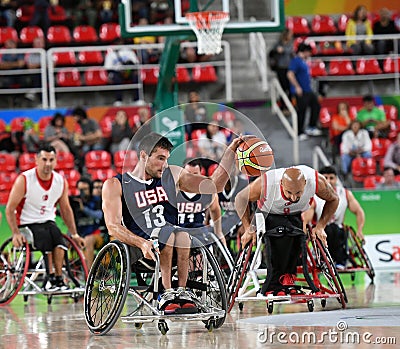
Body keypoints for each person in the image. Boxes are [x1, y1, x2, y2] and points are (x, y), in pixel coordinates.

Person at [101, 132, 244, 314]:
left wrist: (230, 152)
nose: (165, 164)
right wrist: (141, 243)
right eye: (160, 158)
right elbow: (112, 226)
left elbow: (214, 185)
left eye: (167, 159)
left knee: (182, 235)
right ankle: (167, 292)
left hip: (171, 237)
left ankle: (182, 292)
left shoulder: (173, 175)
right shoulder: (116, 184)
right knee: (168, 235)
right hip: (139, 245)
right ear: (144, 155)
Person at [236, 165, 339, 296]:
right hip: (268, 213)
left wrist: (320, 226)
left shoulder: (316, 181)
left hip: (295, 214)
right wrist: (247, 228)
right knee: (281, 233)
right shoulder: (267, 182)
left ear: (305, 184)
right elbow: (240, 199)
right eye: (289, 192)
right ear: (281, 184)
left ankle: (289, 277)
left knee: (298, 234)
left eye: (298, 193)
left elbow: (334, 199)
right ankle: (275, 281)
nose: (293, 198)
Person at [5, 144, 85, 290]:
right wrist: (15, 233)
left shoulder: (60, 181)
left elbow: (66, 209)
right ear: (36, 160)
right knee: (45, 238)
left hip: (48, 222)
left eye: (51, 160)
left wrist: (74, 234)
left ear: (55, 161)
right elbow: (10, 209)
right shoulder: (24, 179)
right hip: (26, 223)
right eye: (44, 159)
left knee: (58, 239)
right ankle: (49, 278)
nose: (48, 163)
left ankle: (58, 279)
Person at [303, 166, 365, 270]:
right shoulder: (314, 196)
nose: (328, 181)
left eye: (331, 178)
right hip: (320, 230)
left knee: (336, 229)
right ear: (320, 179)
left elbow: (359, 211)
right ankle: (324, 258)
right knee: (329, 229)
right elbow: (306, 219)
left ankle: (340, 260)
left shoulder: (345, 194)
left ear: (336, 179)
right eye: (325, 178)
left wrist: (360, 230)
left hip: (338, 231)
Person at [177, 158, 224, 246]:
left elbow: (215, 210)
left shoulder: (207, 191)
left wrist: (219, 232)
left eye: (195, 174)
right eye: (188, 174)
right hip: (178, 229)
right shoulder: (173, 190)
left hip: (198, 231)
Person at [287, 43, 322, 141]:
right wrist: (297, 87)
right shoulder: (296, 61)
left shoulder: (303, 61)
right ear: (305, 52)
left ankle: (311, 126)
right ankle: (299, 132)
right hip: (300, 91)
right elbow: (290, 74)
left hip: (308, 90)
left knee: (316, 105)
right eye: (309, 52)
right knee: (301, 111)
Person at [70, 178, 104, 269]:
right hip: (80, 235)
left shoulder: (97, 199)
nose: (82, 192)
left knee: (88, 240)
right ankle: (63, 274)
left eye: (85, 189)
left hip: (97, 234)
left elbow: (100, 215)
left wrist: (84, 209)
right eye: (80, 189)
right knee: (63, 240)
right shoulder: (75, 201)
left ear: (90, 189)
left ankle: (89, 274)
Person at [104, 38, 140, 105]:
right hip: (117, 72)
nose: (119, 43)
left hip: (128, 71)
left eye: (120, 41)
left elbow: (135, 63)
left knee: (136, 76)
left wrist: (131, 70)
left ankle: (137, 100)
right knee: (116, 78)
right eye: (117, 42)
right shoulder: (110, 54)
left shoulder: (129, 51)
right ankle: (119, 100)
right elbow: (108, 68)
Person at [271, 28, 294, 111]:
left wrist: (283, 50)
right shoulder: (278, 44)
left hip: (289, 67)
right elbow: (272, 52)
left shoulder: (290, 44)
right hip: (281, 68)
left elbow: (290, 51)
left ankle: (290, 105)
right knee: (283, 87)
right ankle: (283, 106)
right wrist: (277, 51)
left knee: (290, 87)